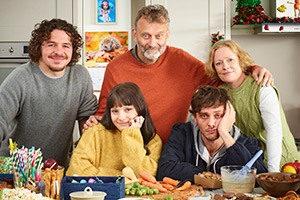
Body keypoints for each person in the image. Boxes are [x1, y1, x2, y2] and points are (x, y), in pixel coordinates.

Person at [83, 4, 274, 145]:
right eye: (146, 35)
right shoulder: (116, 67)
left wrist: (251, 68)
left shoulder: (181, 60)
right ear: (135, 34)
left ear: (167, 35)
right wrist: (94, 121)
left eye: (159, 35)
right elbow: (105, 113)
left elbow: (220, 75)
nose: (152, 43)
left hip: (174, 150)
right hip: (131, 149)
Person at [0, 18, 98, 168]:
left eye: (66, 46)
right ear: (39, 47)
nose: (59, 52)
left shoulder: (81, 76)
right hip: (17, 171)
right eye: (51, 45)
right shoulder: (20, 77)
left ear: (73, 49)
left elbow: (87, 119)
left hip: (57, 170)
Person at [205, 40, 300, 172]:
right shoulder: (221, 93)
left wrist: (272, 173)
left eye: (230, 60)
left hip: (282, 165)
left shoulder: (262, 87)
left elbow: (274, 131)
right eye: (218, 63)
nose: (225, 66)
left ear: (240, 60)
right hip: (252, 166)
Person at [157, 85, 267, 182]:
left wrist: (224, 133)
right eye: (204, 116)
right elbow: (165, 170)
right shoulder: (182, 133)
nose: (211, 123)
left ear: (228, 116)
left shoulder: (248, 143)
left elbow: (260, 178)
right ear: (195, 118)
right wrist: (207, 176)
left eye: (218, 115)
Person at [66, 82, 162, 177]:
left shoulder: (153, 141)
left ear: (140, 109)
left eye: (128, 109)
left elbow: (147, 175)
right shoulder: (95, 131)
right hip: (98, 191)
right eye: (115, 111)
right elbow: (76, 170)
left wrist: (131, 134)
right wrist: (121, 178)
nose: (121, 117)